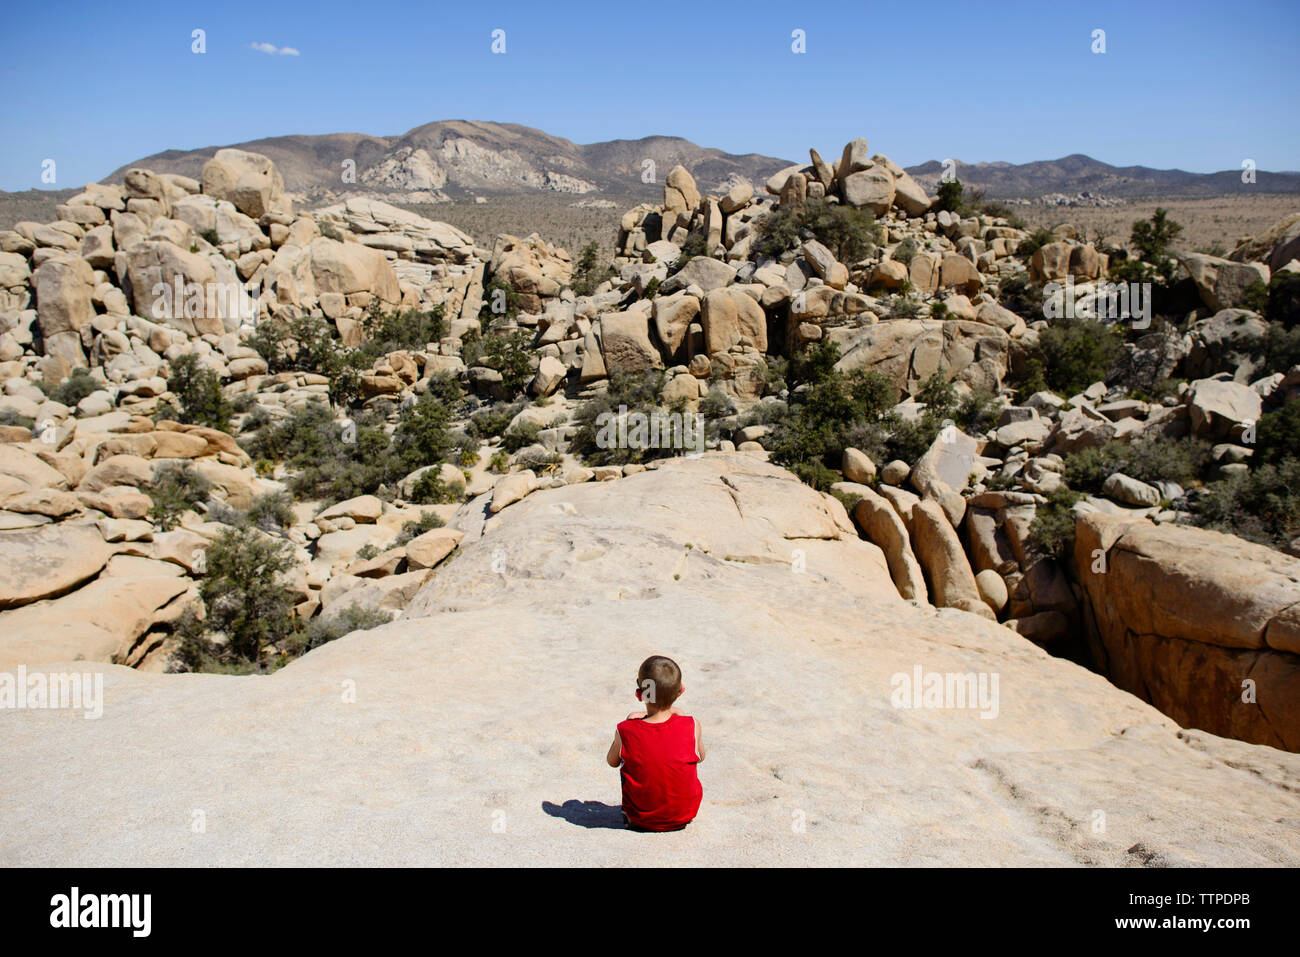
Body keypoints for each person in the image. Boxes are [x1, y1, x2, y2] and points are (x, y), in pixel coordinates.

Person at [605, 655, 704, 831]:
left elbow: (612, 761)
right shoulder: (691, 725)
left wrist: (631, 722)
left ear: (639, 695)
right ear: (680, 691)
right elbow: (701, 757)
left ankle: (637, 810)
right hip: (684, 815)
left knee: (626, 756)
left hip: (639, 820)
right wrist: (679, 715)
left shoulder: (625, 730)